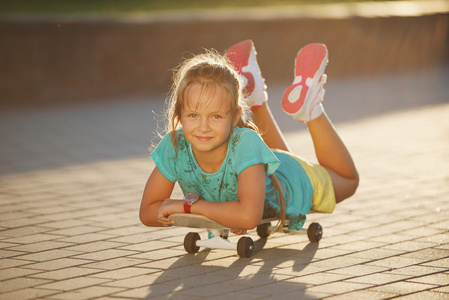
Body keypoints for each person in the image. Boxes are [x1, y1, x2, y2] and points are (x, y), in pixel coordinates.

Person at [139, 40, 359, 235]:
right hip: (261, 169)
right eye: (193, 115)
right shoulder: (175, 145)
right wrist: (221, 213)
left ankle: (311, 111)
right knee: (272, 157)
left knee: (349, 181)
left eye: (216, 116)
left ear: (236, 117)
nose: (203, 127)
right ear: (179, 116)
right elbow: (147, 212)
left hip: (293, 181)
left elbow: (248, 217)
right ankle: (255, 99)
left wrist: (187, 206)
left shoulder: (246, 142)